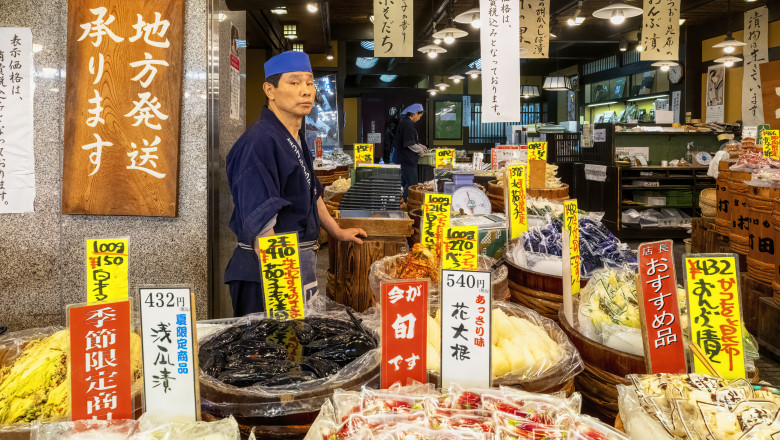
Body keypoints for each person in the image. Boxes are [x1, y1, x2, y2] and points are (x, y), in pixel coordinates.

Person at [225, 51, 367, 317]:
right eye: (294, 82)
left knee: (294, 353)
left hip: (295, 264)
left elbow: (312, 192)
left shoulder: (294, 136)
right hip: (268, 272)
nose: (306, 91)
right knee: (270, 354)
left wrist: (337, 231)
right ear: (270, 90)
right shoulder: (260, 141)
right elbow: (261, 220)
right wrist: (283, 290)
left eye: (310, 82)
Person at [394, 103, 428, 202]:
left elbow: (413, 142)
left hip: (405, 159)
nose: (419, 118)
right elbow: (410, 144)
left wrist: (422, 146)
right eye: (420, 116)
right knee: (412, 183)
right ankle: (405, 203)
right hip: (407, 160)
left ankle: (400, 202)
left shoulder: (406, 123)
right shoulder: (407, 124)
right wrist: (421, 150)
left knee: (405, 182)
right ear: (415, 113)